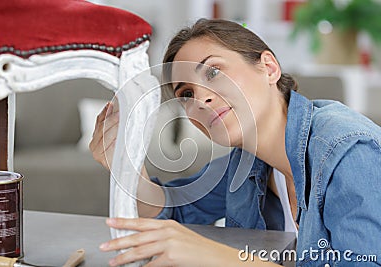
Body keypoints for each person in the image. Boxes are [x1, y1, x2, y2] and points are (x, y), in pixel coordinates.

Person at [89, 19, 381, 266]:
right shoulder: (246, 163)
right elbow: (174, 214)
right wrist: (126, 164)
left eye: (213, 72)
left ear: (268, 68)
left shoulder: (350, 151)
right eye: (186, 94)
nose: (200, 98)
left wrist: (221, 256)